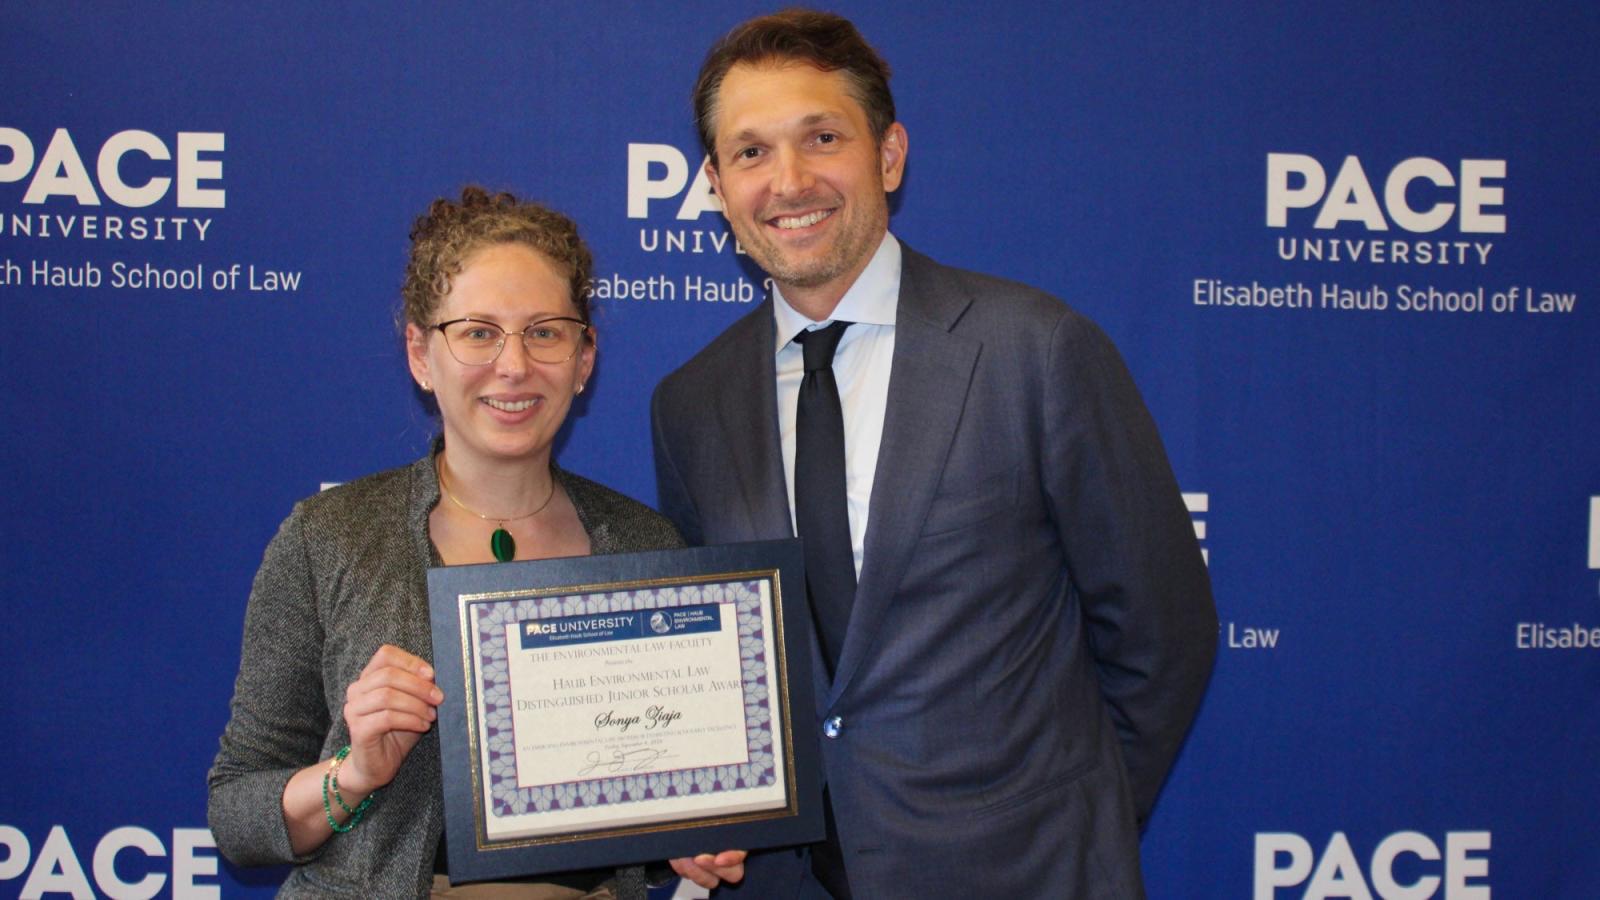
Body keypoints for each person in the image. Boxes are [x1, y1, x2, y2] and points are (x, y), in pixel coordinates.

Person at [651, 11, 1219, 898]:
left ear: (889, 155)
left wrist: (1075, 820)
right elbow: (722, 665)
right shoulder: (691, 403)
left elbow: (1162, 632)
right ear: (716, 185)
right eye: (751, 153)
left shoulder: (1035, 351)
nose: (788, 180)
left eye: (823, 137)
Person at [208, 187, 693, 899]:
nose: (514, 365)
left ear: (584, 357)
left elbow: (653, 826)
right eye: (477, 332)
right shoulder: (328, 538)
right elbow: (236, 816)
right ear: (420, 353)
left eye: (546, 331)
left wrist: (698, 840)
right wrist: (353, 774)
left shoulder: (646, 546)